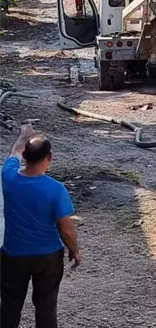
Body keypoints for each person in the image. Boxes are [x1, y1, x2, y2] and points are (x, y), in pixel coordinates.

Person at [0, 124, 80, 328]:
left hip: (12, 255)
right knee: (46, 307)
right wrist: (74, 250)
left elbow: (14, 150)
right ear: (49, 157)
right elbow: (66, 228)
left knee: (9, 306)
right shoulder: (55, 189)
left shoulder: (8, 176)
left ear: (25, 155)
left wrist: (24, 133)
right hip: (47, 258)